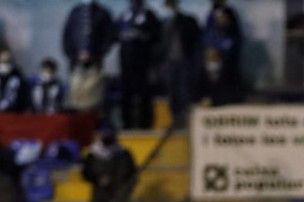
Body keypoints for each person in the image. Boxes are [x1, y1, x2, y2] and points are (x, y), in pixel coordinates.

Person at [117, 0, 161, 130]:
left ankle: (145, 124)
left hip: (143, 62)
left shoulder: (149, 15)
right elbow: (115, 33)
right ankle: (127, 123)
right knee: (126, 94)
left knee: (144, 94)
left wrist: (141, 36)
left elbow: (157, 35)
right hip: (126, 62)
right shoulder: (124, 15)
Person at [159, 0, 202, 127]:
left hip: (185, 61)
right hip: (169, 63)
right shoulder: (163, 23)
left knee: (185, 91)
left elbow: (196, 42)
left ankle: (186, 119)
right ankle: (176, 119)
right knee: (172, 92)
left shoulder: (188, 20)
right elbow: (160, 45)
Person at [62, 0, 118, 70]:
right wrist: (73, 55)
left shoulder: (103, 12)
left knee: (95, 80)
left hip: (95, 62)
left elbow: (109, 36)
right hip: (75, 62)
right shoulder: (75, 12)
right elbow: (67, 35)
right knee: (76, 79)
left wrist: (97, 54)